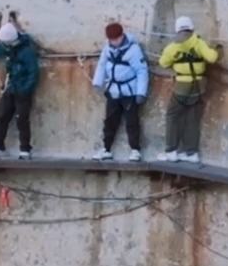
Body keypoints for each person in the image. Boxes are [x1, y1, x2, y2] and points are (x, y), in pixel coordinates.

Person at [158, 16, 220, 163]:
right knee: (192, 119)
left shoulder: (173, 47)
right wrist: (217, 49)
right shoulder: (199, 43)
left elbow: (163, 62)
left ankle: (171, 151)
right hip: (198, 86)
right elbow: (212, 58)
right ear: (191, 28)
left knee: (172, 116)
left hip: (181, 86)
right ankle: (192, 153)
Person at [91, 22, 149, 161]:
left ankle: (135, 149)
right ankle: (106, 148)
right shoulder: (107, 49)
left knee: (132, 121)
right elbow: (102, 65)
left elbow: (142, 71)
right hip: (113, 90)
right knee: (110, 121)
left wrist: (141, 92)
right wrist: (98, 82)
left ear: (122, 35)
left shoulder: (134, 50)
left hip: (130, 92)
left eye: (117, 38)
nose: (115, 42)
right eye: (112, 39)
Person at [0, 21, 40, 159]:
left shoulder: (27, 52)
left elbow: (33, 72)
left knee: (22, 119)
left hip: (22, 90)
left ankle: (25, 149)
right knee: (3, 115)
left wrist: (26, 89)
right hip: (10, 87)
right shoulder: (7, 47)